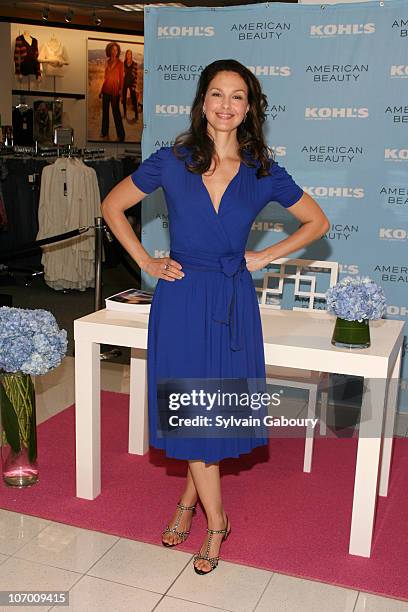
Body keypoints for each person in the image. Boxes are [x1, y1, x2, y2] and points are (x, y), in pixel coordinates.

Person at [101, 59, 330, 575]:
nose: (227, 105)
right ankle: (217, 520)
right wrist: (145, 261)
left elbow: (318, 221)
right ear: (202, 101)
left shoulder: (262, 169)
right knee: (191, 417)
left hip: (231, 300)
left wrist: (265, 256)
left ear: (250, 108)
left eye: (239, 97)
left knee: (210, 416)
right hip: (181, 299)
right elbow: (113, 206)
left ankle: (191, 505)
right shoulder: (172, 160)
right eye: (218, 94)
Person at [99, 42, 125, 142]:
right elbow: (105, 78)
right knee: (105, 113)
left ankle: (121, 135)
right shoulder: (107, 62)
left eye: (116, 50)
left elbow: (121, 80)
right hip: (106, 91)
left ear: (118, 51)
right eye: (112, 50)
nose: (114, 52)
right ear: (109, 51)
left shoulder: (120, 63)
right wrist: (101, 91)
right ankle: (104, 132)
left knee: (116, 113)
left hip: (115, 92)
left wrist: (121, 93)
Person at [122, 49, 138, 121]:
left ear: (131, 55)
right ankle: (125, 113)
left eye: (130, 54)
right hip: (124, 83)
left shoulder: (134, 64)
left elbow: (136, 76)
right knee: (124, 98)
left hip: (131, 83)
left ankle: (136, 114)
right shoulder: (124, 63)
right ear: (126, 55)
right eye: (127, 54)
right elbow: (122, 74)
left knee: (134, 99)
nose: (128, 55)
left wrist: (134, 86)